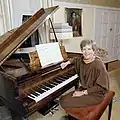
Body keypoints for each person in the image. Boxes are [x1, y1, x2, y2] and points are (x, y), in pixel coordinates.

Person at [60, 39, 109, 110]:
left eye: (89, 49)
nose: (86, 52)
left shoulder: (98, 65)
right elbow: (75, 59)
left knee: (65, 102)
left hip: (96, 94)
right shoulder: (81, 60)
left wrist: (82, 93)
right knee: (63, 99)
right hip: (85, 88)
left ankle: (81, 114)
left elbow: (102, 87)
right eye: (84, 49)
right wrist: (67, 62)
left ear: (93, 51)